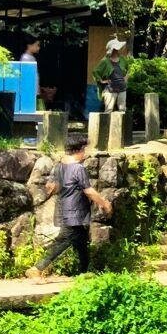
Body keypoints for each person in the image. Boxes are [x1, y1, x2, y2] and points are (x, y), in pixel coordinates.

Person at [29, 132, 113, 277]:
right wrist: (105, 203)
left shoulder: (58, 167)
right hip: (75, 213)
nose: (85, 153)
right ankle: (37, 268)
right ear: (79, 150)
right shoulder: (78, 168)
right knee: (63, 241)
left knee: (81, 243)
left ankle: (84, 273)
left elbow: (51, 187)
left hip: (63, 210)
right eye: (84, 149)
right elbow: (89, 191)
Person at [92, 39, 129, 112]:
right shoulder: (105, 61)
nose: (117, 50)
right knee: (108, 110)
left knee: (122, 111)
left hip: (122, 89)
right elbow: (95, 71)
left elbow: (129, 69)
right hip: (110, 89)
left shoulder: (122, 59)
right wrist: (102, 81)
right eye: (115, 49)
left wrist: (126, 78)